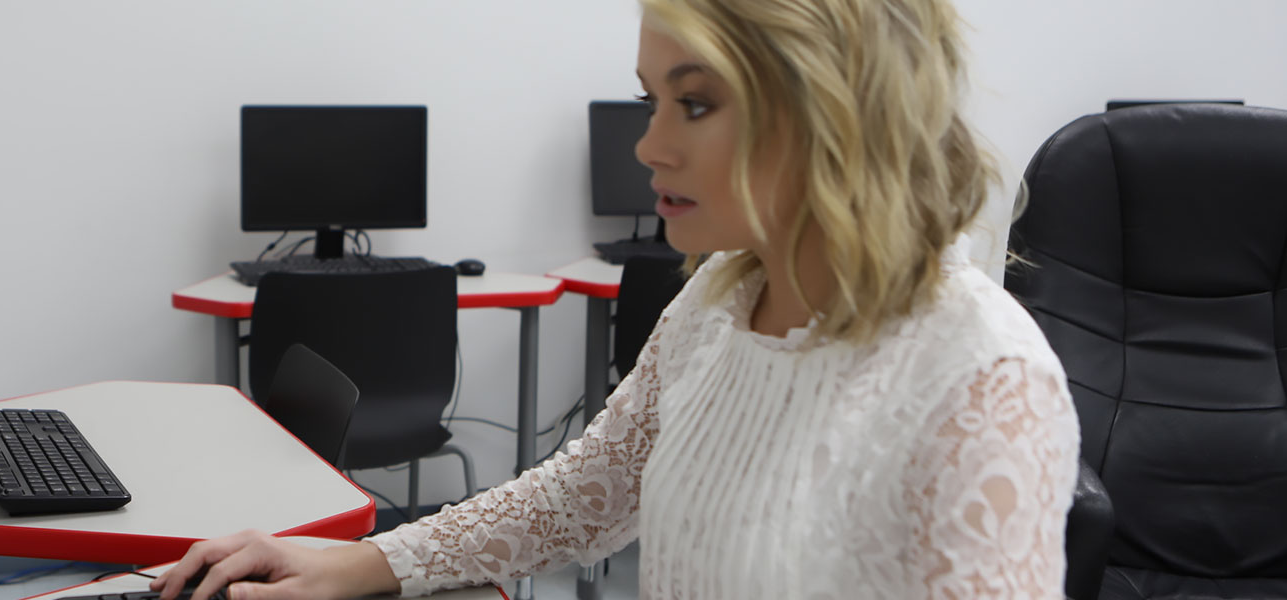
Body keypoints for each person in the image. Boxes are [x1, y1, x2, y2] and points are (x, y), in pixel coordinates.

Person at [153, 0, 1080, 596]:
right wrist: (356, 563)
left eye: (697, 103)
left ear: (830, 107)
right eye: (649, 102)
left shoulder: (981, 380)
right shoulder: (719, 300)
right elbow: (587, 494)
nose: (649, 148)